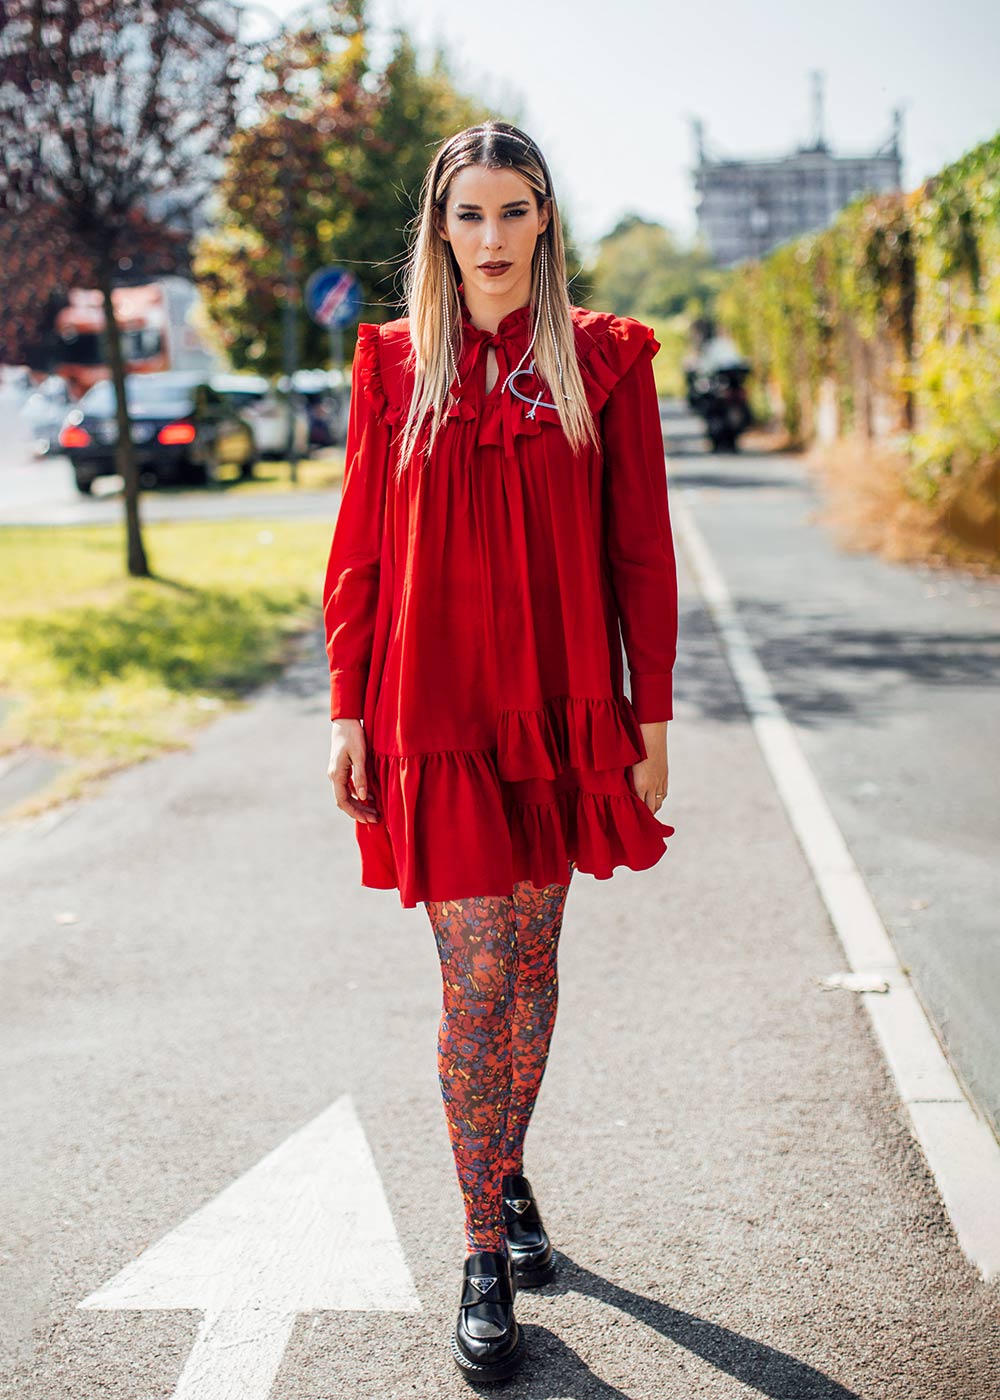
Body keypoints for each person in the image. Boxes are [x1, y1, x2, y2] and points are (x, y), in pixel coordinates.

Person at [323, 120, 678, 1383]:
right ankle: (483, 1246)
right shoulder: (392, 363)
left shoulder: (601, 361)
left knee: (530, 966)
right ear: (438, 224)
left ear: (544, 219)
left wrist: (651, 718)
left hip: (565, 709)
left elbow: (641, 549)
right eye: (468, 213)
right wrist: (346, 707)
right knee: (477, 978)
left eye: (513, 210)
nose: (490, 237)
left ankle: (503, 1164)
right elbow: (360, 543)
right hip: (432, 712)